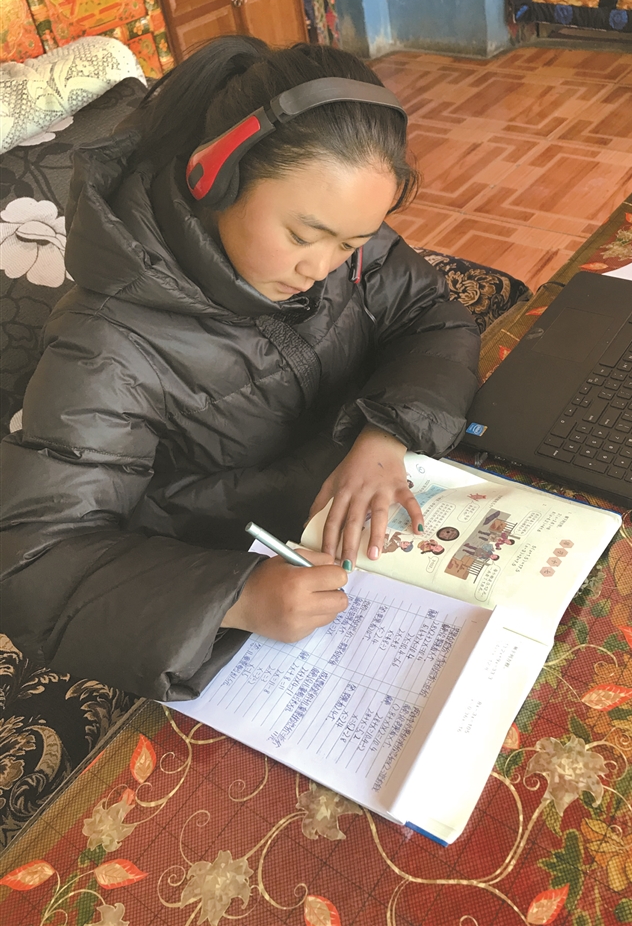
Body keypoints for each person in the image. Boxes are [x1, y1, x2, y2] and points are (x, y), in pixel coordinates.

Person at [0, 37, 481, 701]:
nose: (321, 267)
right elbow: (35, 559)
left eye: (352, 242)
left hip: (350, 515)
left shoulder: (339, 242)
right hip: (228, 552)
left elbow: (431, 312)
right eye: (302, 237)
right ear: (213, 178)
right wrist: (238, 596)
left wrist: (385, 434)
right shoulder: (108, 342)